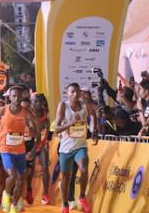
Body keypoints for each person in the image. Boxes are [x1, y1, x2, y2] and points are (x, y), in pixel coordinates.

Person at [0, 86, 40, 213]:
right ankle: (6, 194)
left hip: (20, 150)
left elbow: (37, 130)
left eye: (18, 96)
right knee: (13, 175)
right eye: (14, 96)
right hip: (6, 148)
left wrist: (32, 131)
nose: (16, 99)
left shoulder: (26, 112)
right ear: (9, 98)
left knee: (21, 178)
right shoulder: (3, 110)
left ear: (22, 97)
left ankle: (13, 205)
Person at [54, 83, 98, 213]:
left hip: (80, 146)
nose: (75, 94)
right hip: (66, 148)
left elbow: (93, 115)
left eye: (77, 92)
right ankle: (65, 203)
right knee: (66, 178)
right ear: (67, 93)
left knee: (84, 169)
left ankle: (82, 196)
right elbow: (57, 129)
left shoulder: (85, 105)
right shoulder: (63, 105)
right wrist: (71, 123)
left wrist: (94, 129)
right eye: (72, 91)